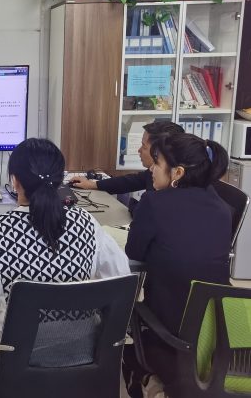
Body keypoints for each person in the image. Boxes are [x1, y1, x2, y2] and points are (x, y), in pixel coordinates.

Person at [0, 138, 130, 389]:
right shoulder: (86, 222)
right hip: (85, 352)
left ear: (15, 181)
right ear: (61, 179)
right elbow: (120, 277)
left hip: (19, 360)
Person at [122, 133, 231, 397]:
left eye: (157, 163)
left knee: (122, 340)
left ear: (178, 173)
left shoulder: (154, 203)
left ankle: (152, 383)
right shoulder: (223, 208)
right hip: (218, 337)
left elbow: (133, 251)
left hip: (169, 337)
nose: (151, 169)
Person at [69, 120, 185, 194]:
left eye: (144, 146)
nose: (139, 150)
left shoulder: (181, 190)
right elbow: (129, 182)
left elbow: (145, 210)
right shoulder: (154, 173)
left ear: (160, 152)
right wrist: (92, 184)